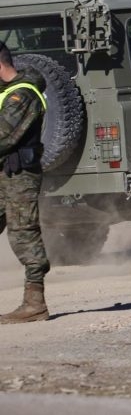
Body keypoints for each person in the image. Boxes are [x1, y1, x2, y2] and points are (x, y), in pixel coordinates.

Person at [0, 41, 49, 323]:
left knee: (23, 233)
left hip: (19, 176)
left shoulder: (23, 94)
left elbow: (4, 135)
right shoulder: (6, 93)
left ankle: (35, 303)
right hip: (3, 175)